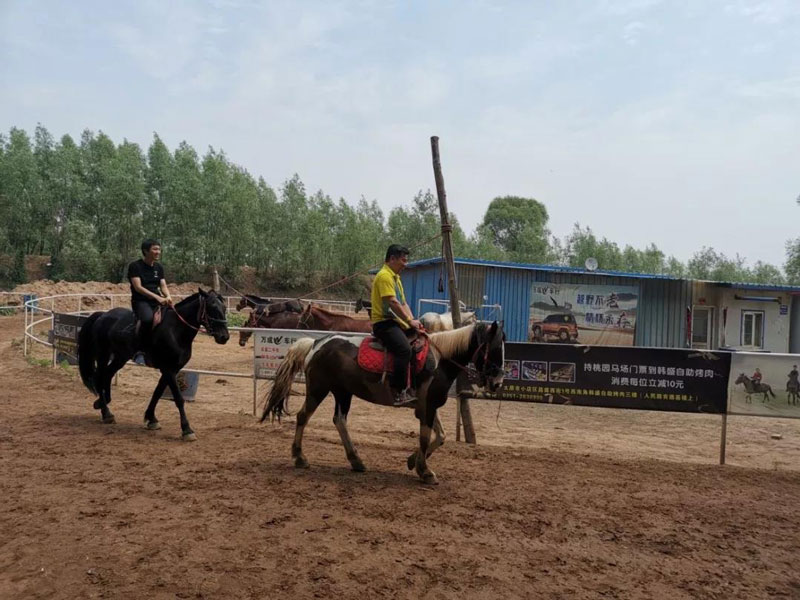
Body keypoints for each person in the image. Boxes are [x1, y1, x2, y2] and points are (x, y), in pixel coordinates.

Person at [370, 244, 422, 405]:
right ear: (392, 259)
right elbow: (392, 302)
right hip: (384, 323)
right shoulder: (384, 276)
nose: (405, 264)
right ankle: (398, 391)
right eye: (403, 260)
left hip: (395, 322)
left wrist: (413, 321)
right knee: (404, 350)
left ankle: (414, 387)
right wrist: (409, 321)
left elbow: (403, 303)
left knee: (418, 343)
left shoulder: (396, 278)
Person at [127, 239, 173, 351]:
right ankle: (140, 350)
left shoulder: (159, 267)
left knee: (172, 317)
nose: (158, 252)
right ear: (146, 251)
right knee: (147, 319)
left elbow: (163, 285)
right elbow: (138, 287)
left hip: (157, 301)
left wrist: (168, 296)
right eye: (155, 249)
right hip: (141, 301)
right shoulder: (135, 266)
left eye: (159, 249)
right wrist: (158, 297)